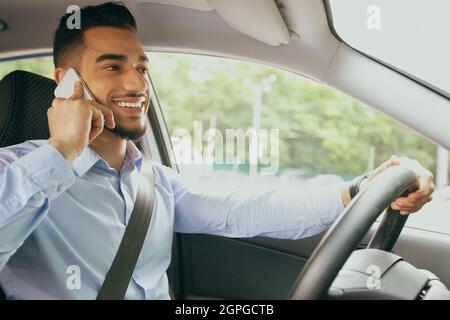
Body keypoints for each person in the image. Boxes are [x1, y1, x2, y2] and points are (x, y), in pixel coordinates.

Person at [0, 2, 434, 299]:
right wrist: (61, 150)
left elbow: (243, 209)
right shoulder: (17, 169)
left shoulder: (153, 182)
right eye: (113, 66)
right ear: (66, 80)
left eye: (142, 68)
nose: (137, 84)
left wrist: (358, 190)